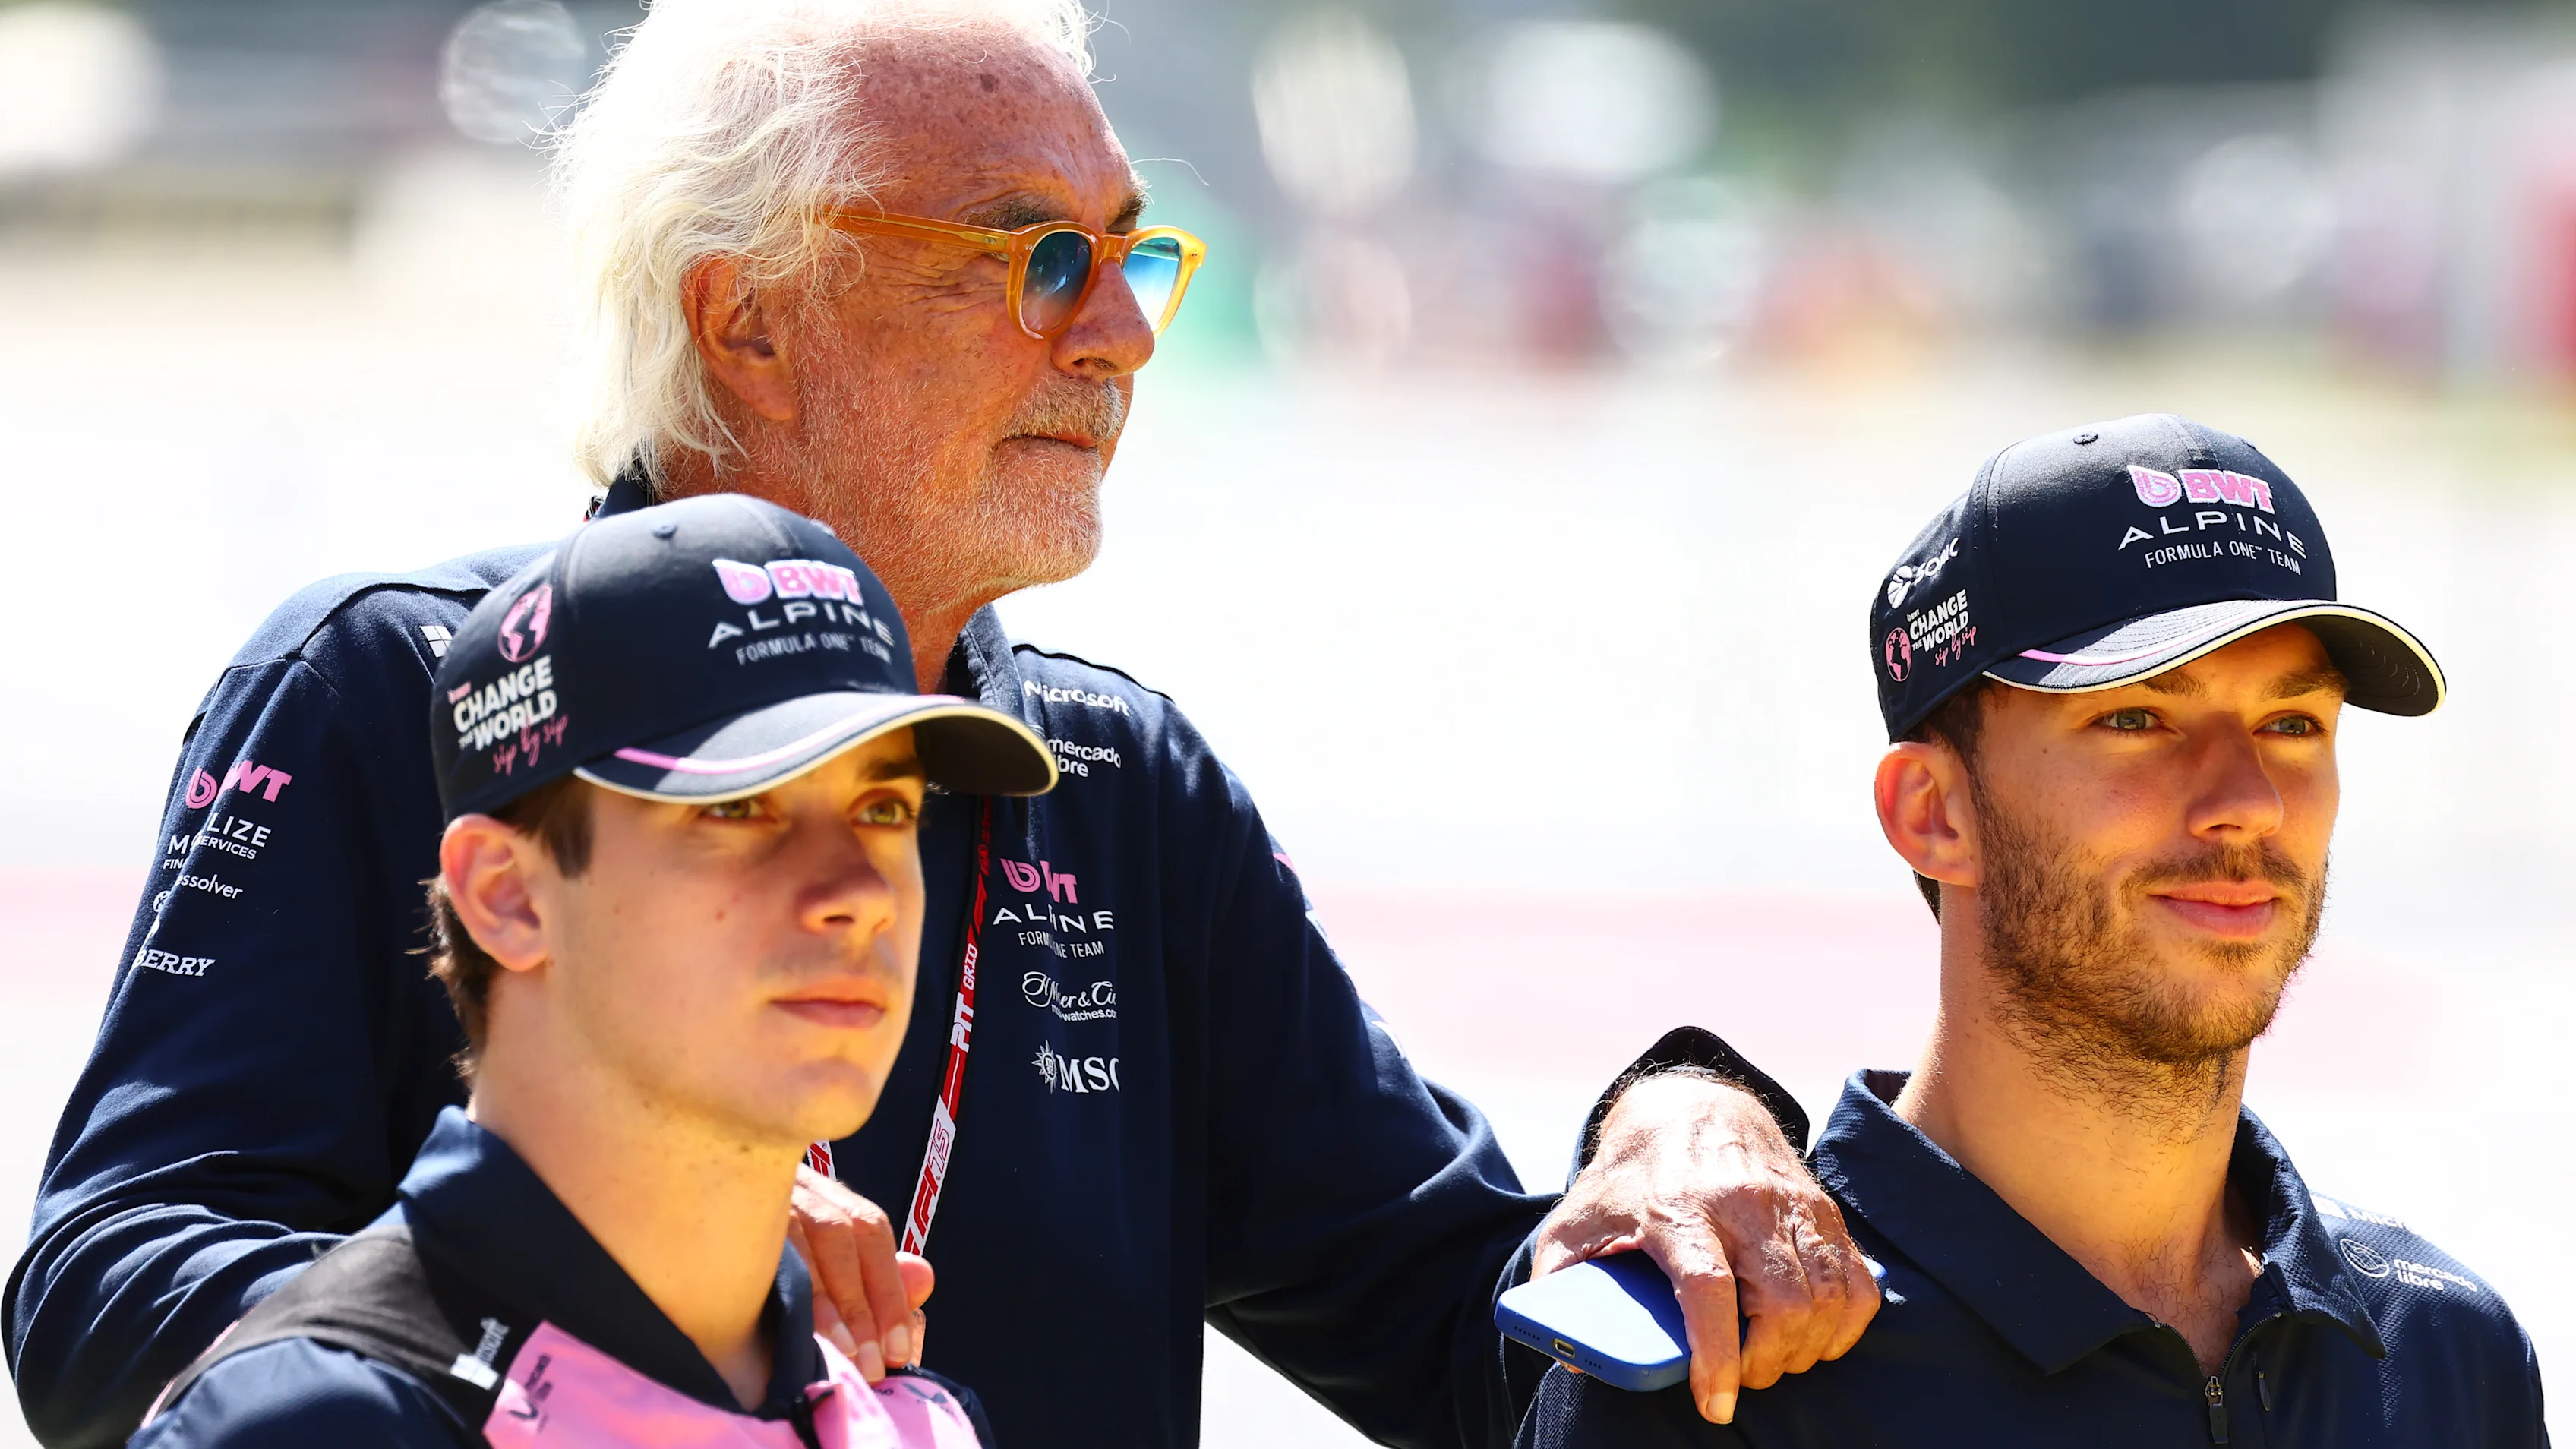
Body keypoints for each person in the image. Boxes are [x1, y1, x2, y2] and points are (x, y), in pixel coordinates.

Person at [6, 2, 1878, 1446]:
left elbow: (1463, 1332)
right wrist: (619, 1276)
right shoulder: (397, 691)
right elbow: (103, 1294)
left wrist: (1678, 1121)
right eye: (1031, 256)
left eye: (1131, 257)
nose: (1120, 337)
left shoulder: (1121, 783)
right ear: (750, 317)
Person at [1517, 414, 2549, 1447]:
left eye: (2293, 725)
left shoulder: (2446, 1354)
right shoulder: (1722, 1364)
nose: (2249, 802)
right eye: (2137, 720)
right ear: (1935, 813)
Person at [132, 494, 1054, 1446]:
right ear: (506, 895)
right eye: (737, 810)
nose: (857, 890)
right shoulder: (315, 1421)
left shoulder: (919, 1424)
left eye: (885, 810)